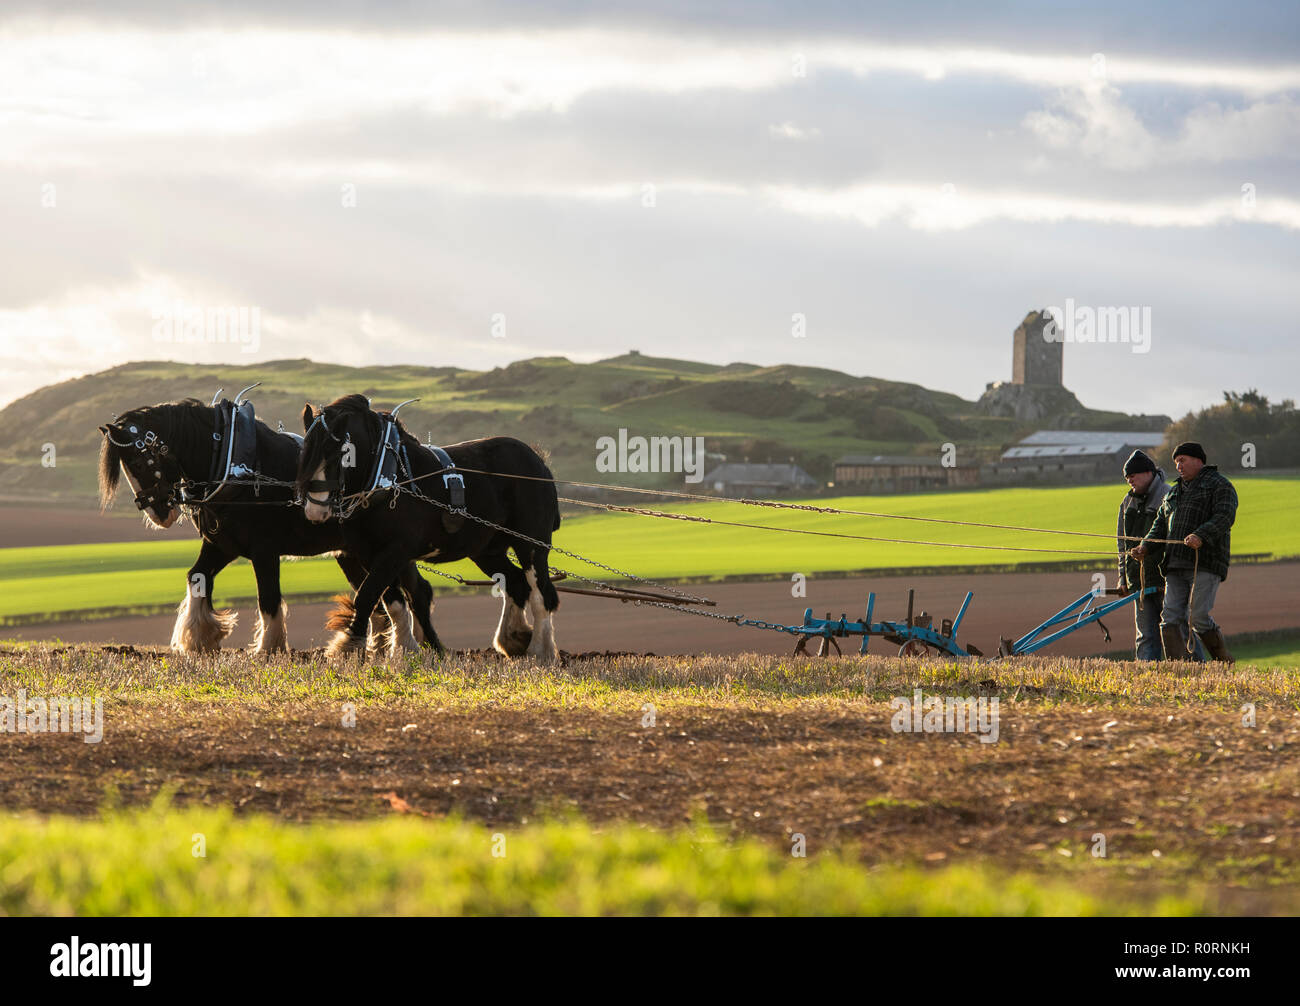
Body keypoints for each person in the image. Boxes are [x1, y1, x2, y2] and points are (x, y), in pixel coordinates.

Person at [1131, 442, 1238, 662]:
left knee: (1198, 617)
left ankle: (1222, 659)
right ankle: (1178, 668)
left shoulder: (1220, 485)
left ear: (1199, 461)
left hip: (1205, 562)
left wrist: (1201, 535)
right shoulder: (1173, 493)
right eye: (1176, 462)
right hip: (1174, 564)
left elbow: (1224, 516)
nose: (1178, 465)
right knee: (1169, 618)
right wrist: (1145, 546)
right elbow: (1159, 525)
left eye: (1183, 460)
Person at [1115, 450, 1202, 660]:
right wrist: (1123, 576)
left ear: (1148, 473)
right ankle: (1146, 680)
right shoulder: (1127, 502)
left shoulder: (1169, 495)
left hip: (1167, 579)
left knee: (1178, 629)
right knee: (1145, 636)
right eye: (1127, 478)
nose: (1130, 481)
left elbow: (1178, 536)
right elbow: (1122, 543)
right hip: (1140, 580)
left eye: (1133, 476)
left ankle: (1197, 671)